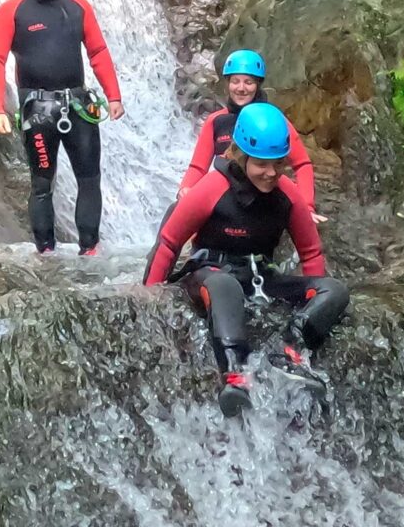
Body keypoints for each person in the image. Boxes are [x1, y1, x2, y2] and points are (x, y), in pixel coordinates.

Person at [144, 102, 350, 416]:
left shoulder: (287, 194)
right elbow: (169, 243)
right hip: (210, 274)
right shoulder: (212, 188)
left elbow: (310, 253)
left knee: (334, 290)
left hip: (260, 277)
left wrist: (312, 304)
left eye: (278, 164)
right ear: (241, 156)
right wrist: (149, 296)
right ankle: (234, 374)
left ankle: (291, 351)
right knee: (226, 285)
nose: (271, 173)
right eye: (262, 164)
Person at [0, 0, 125, 255]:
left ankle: (90, 248)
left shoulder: (78, 7)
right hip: (38, 111)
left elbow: (98, 52)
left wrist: (113, 96)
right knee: (42, 184)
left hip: (78, 106)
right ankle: (45, 252)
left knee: (89, 178)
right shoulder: (13, 11)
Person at [180, 50, 315, 206]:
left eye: (248, 82)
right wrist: (185, 188)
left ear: (257, 85)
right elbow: (198, 167)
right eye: (235, 81)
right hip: (228, 202)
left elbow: (302, 164)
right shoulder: (216, 121)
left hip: (266, 201)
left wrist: (307, 206)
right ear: (227, 84)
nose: (241, 88)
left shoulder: (273, 120)